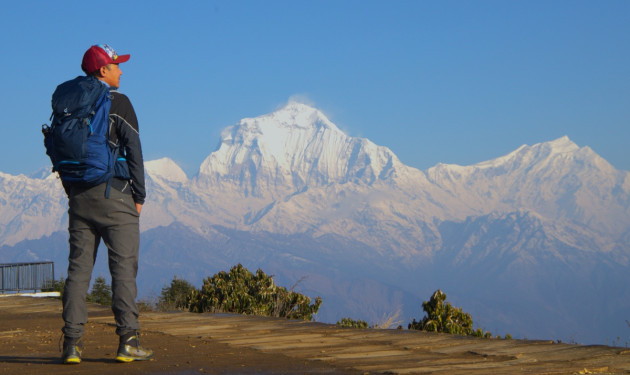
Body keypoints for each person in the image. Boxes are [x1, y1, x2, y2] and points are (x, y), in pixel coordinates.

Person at [59, 44, 153, 364]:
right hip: (116, 198)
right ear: (102, 70)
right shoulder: (119, 102)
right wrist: (139, 196)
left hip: (79, 199)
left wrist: (72, 192)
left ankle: (72, 345)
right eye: (116, 66)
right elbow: (134, 151)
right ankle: (128, 341)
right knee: (123, 270)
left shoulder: (69, 103)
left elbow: (61, 153)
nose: (121, 71)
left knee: (78, 272)